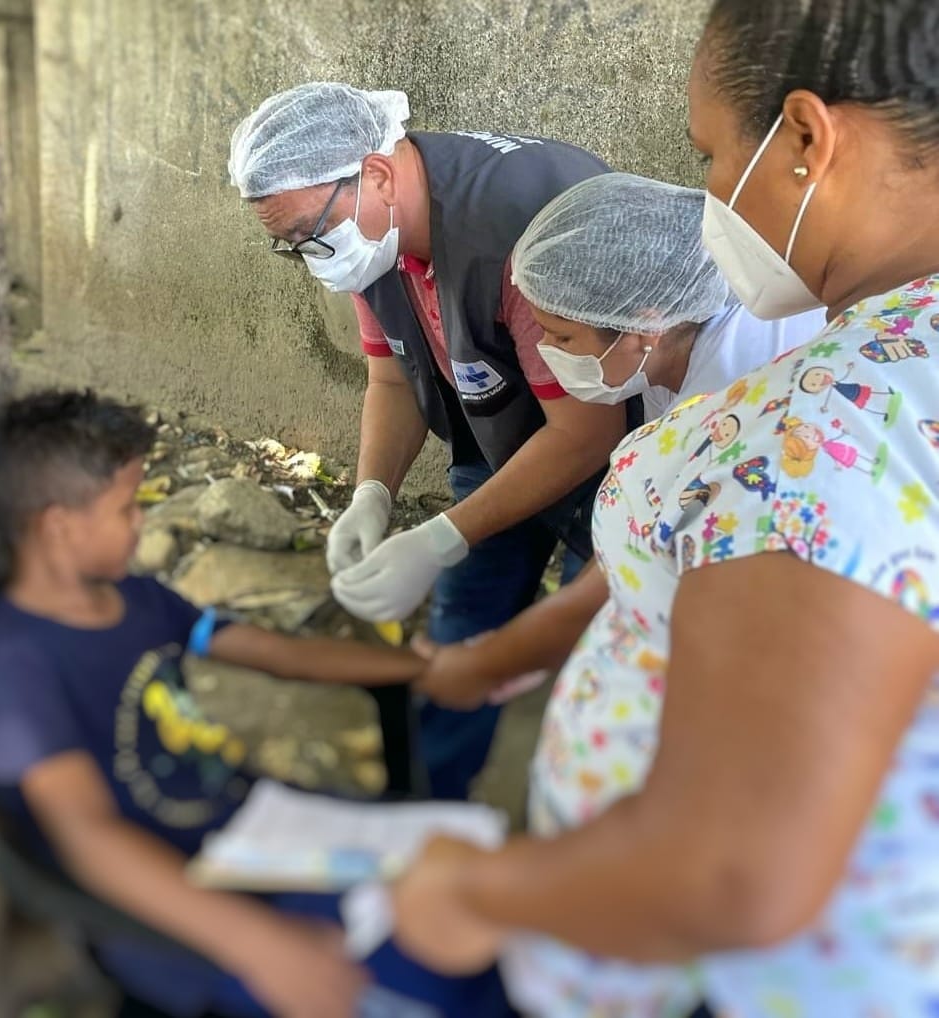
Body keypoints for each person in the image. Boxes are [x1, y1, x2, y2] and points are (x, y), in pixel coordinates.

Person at [391, 2, 939, 1017]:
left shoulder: (816, 431)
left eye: (709, 154)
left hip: (750, 981)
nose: (707, 199)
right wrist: (506, 651)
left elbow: (732, 871)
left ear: (805, 138)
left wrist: (471, 891)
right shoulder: (895, 368)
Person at [0, 390, 512, 1018]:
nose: (141, 521)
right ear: (58, 527)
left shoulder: (134, 599)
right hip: (187, 913)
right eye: (125, 507)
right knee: (446, 969)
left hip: (259, 833)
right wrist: (257, 943)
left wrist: (427, 669)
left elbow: (275, 653)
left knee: (476, 895)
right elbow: (89, 838)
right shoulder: (15, 671)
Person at [229, 83, 633, 800]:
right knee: (460, 628)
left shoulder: (518, 229)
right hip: (497, 433)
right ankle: (424, 804)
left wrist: (442, 536)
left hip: (620, 463)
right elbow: (391, 377)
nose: (314, 258)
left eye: (312, 234)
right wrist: (371, 494)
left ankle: (577, 815)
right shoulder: (372, 232)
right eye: (291, 245)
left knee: (598, 656)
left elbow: (587, 432)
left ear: (376, 174)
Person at [414, 172, 826, 705]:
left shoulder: (730, 408)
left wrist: (499, 658)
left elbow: (636, 555)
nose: (548, 352)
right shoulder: (671, 347)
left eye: (562, 336)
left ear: (643, 328)